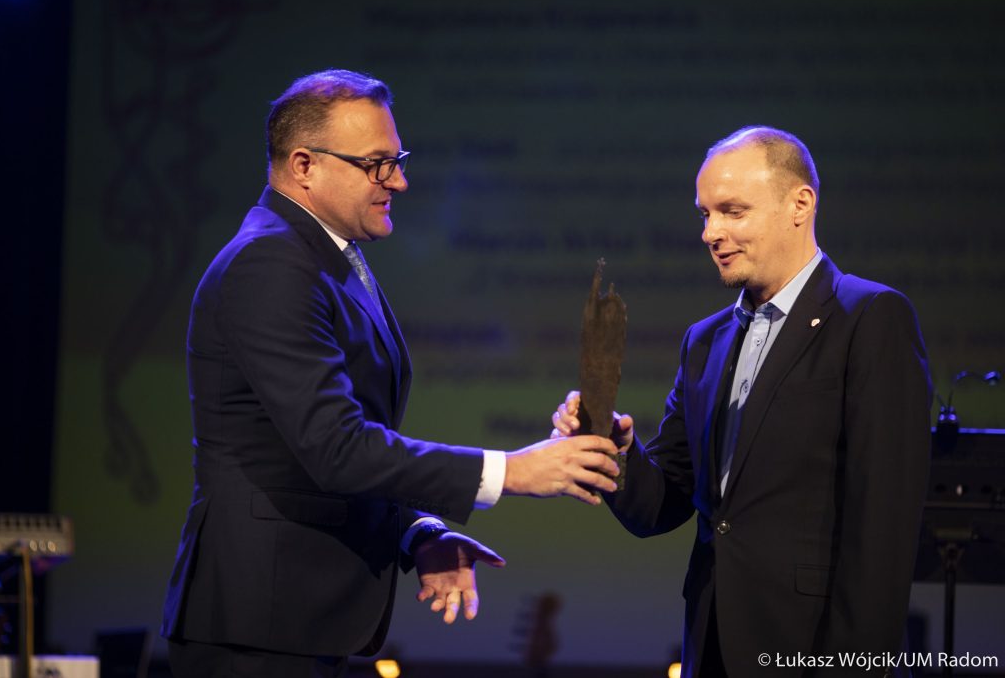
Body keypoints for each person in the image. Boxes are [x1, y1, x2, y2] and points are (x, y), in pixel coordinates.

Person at [161, 69, 620, 678]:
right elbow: (335, 448)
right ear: (304, 166)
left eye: (397, 161)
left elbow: (306, 459)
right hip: (257, 628)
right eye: (377, 165)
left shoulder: (325, 257)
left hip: (296, 622)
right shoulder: (270, 263)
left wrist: (416, 532)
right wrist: (513, 470)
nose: (398, 181)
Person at [553, 126, 932, 677]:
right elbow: (663, 503)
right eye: (705, 214)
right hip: (712, 643)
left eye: (732, 211)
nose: (711, 233)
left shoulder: (869, 318)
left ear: (800, 205)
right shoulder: (704, 341)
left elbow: (883, 528)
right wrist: (614, 448)